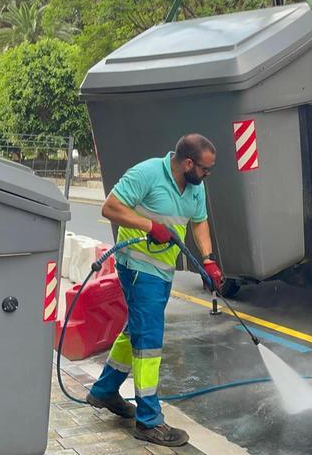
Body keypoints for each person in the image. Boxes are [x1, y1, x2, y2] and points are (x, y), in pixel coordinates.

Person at [86, 133, 224, 447]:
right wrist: (150, 226)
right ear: (188, 163)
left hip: (163, 269)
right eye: (204, 169)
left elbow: (199, 222)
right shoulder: (147, 174)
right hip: (137, 266)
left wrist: (208, 259)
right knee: (149, 341)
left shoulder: (195, 187)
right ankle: (149, 421)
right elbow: (110, 208)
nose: (206, 176)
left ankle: (104, 391)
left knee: (135, 330)